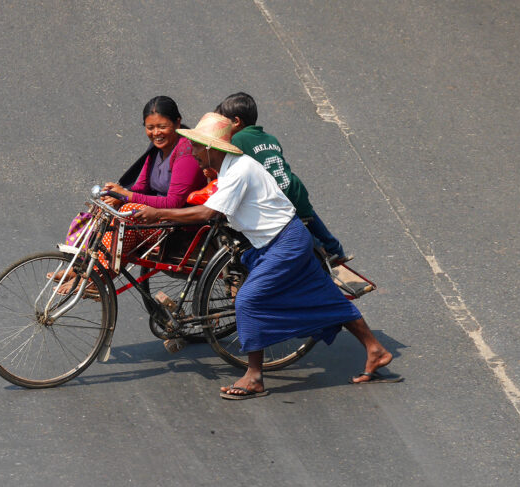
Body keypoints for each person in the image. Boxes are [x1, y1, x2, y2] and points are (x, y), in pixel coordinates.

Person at [131, 113, 399, 399]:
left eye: (197, 147)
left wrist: (158, 212)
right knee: (325, 296)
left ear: (211, 148)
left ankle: (254, 376)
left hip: (285, 243)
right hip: (278, 241)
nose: (192, 152)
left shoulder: (239, 170)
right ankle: (376, 350)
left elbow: (208, 213)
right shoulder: (228, 169)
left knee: (248, 299)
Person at [55, 96, 206, 288]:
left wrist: (126, 196)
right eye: (150, 128)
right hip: (156, 217)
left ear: (177, 122)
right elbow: (141, 186)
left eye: (162, 126)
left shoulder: (185, 150)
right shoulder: (156, 149)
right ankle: (79, 266)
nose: (156, 133)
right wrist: (116, 196)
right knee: (104, 207)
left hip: (177, 223)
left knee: (125, 214)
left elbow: (173, 202)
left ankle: (95, 278)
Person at [214, 92, 349, 265]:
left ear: (236, 122)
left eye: (224, 122)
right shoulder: (270, 138)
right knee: (310, 218)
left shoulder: (238, 140)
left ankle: (319, 256)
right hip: (293, 187)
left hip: (278, 194)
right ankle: (335, 249)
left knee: (296, 230)